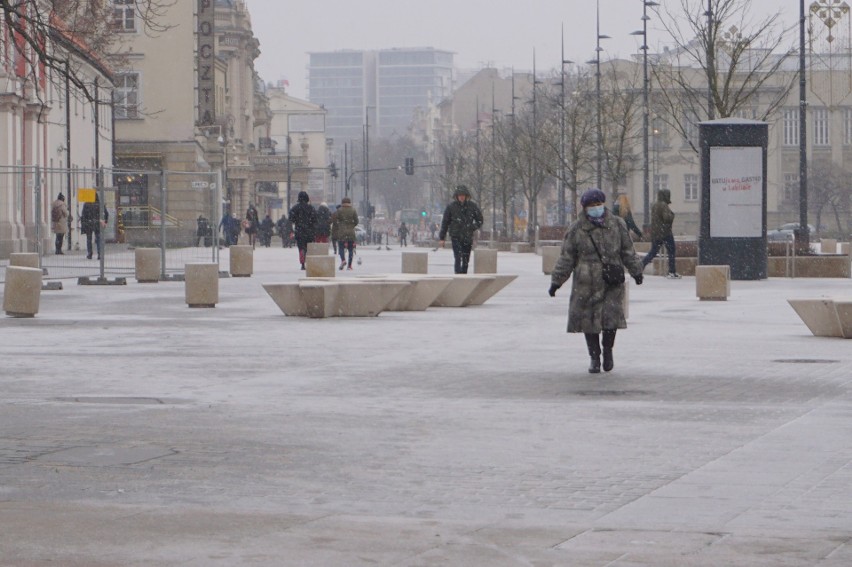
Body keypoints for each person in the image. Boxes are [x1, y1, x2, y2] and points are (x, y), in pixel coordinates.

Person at [549, 188, 644, 374]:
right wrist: (556, 281)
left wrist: (636, 271)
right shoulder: (576, 229)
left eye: (598, 204)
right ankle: (594, 356)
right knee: (589, 321)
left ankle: (608, 351)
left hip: (611, 280)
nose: (596, 208)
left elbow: (627, 251)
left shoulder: (617, 224)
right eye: (592, 206)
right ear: (584, 208)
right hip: (586, 282)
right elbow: (566, 258)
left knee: (611, 320)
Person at [438, 185, 484, 274]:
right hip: (456, 236)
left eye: (463, 195)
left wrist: (472, 227)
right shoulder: (451, 207)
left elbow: (480, 220)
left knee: (466, 259)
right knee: (458, 257)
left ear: (466, 196)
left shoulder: (472, 206)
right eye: (460, 195)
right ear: (457, 196)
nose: (461, 197)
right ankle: (458, 275)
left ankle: (464, 275)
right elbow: (445, 223)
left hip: (467, 236)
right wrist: (442, 238)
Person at [642, 189, 681, 279]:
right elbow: (667, 218)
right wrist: (672, 215)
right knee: (671, 251)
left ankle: (640, 266)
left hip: (656, 233)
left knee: (653, 252)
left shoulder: (655, 205)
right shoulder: (663, 205)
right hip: (665, 233)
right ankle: (672, 271)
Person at [288, 191, 317, 269]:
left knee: (301, 247)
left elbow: (291, 218)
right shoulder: (311, 208)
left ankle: (302, 263)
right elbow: (315, 219)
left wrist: (297, 221)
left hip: (299, 230)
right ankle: (306, 257)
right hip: (309, 231)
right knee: (308, 247)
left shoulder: (295, 208)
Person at [331, 196, 359, 270]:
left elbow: (334, 219)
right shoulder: (353, 210)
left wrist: (339, 225)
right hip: (351, 232)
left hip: (342, 232)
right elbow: (356, 221)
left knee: (341, 247)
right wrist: (352, 225)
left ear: (342, 203)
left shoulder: (339, 210)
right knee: (350, 249)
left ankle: (343, 260)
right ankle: (349, 265)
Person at [80, 194, 108, 260]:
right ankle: (99, 254)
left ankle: (90, 254)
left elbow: (83, 215)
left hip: (89, 224)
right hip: (98, 223)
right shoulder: (100, 204)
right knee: (98, 239)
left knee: (89, 239)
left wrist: (84, 223)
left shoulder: (86, 204)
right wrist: (105, 221)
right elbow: (106, 213)